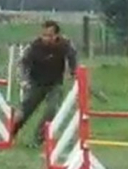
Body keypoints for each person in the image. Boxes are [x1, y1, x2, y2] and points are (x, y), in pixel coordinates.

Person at [11, 20, 78, 148]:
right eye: (44, 35)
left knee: (52, 110)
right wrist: (24, 80)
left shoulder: (64, 45)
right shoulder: (35, 46)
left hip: (55, 84)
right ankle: (9, 134)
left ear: (57, 35)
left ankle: (37, 140)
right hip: (35, 82)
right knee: (24, 111)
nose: (46, 38)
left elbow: (72, 57)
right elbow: (24, 63)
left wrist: (74, 71)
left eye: (49, 35)